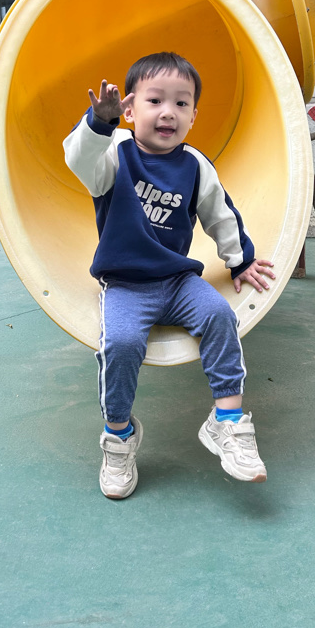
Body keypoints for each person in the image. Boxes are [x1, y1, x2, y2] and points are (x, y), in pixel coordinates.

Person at [63, 51, 275, 500]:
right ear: (129, 110)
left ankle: (227, 422)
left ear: (194, 116)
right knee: (121, 345)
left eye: (181, 103)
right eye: (155, 100)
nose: (168, 112)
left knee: (220, 316)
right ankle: (118, 436)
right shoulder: (115, 156)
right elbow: (78, 160)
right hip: (125, 283)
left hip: (178, 282)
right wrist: (99, 123)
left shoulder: (194, 164)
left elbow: (220, 214)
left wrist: (240, 260)